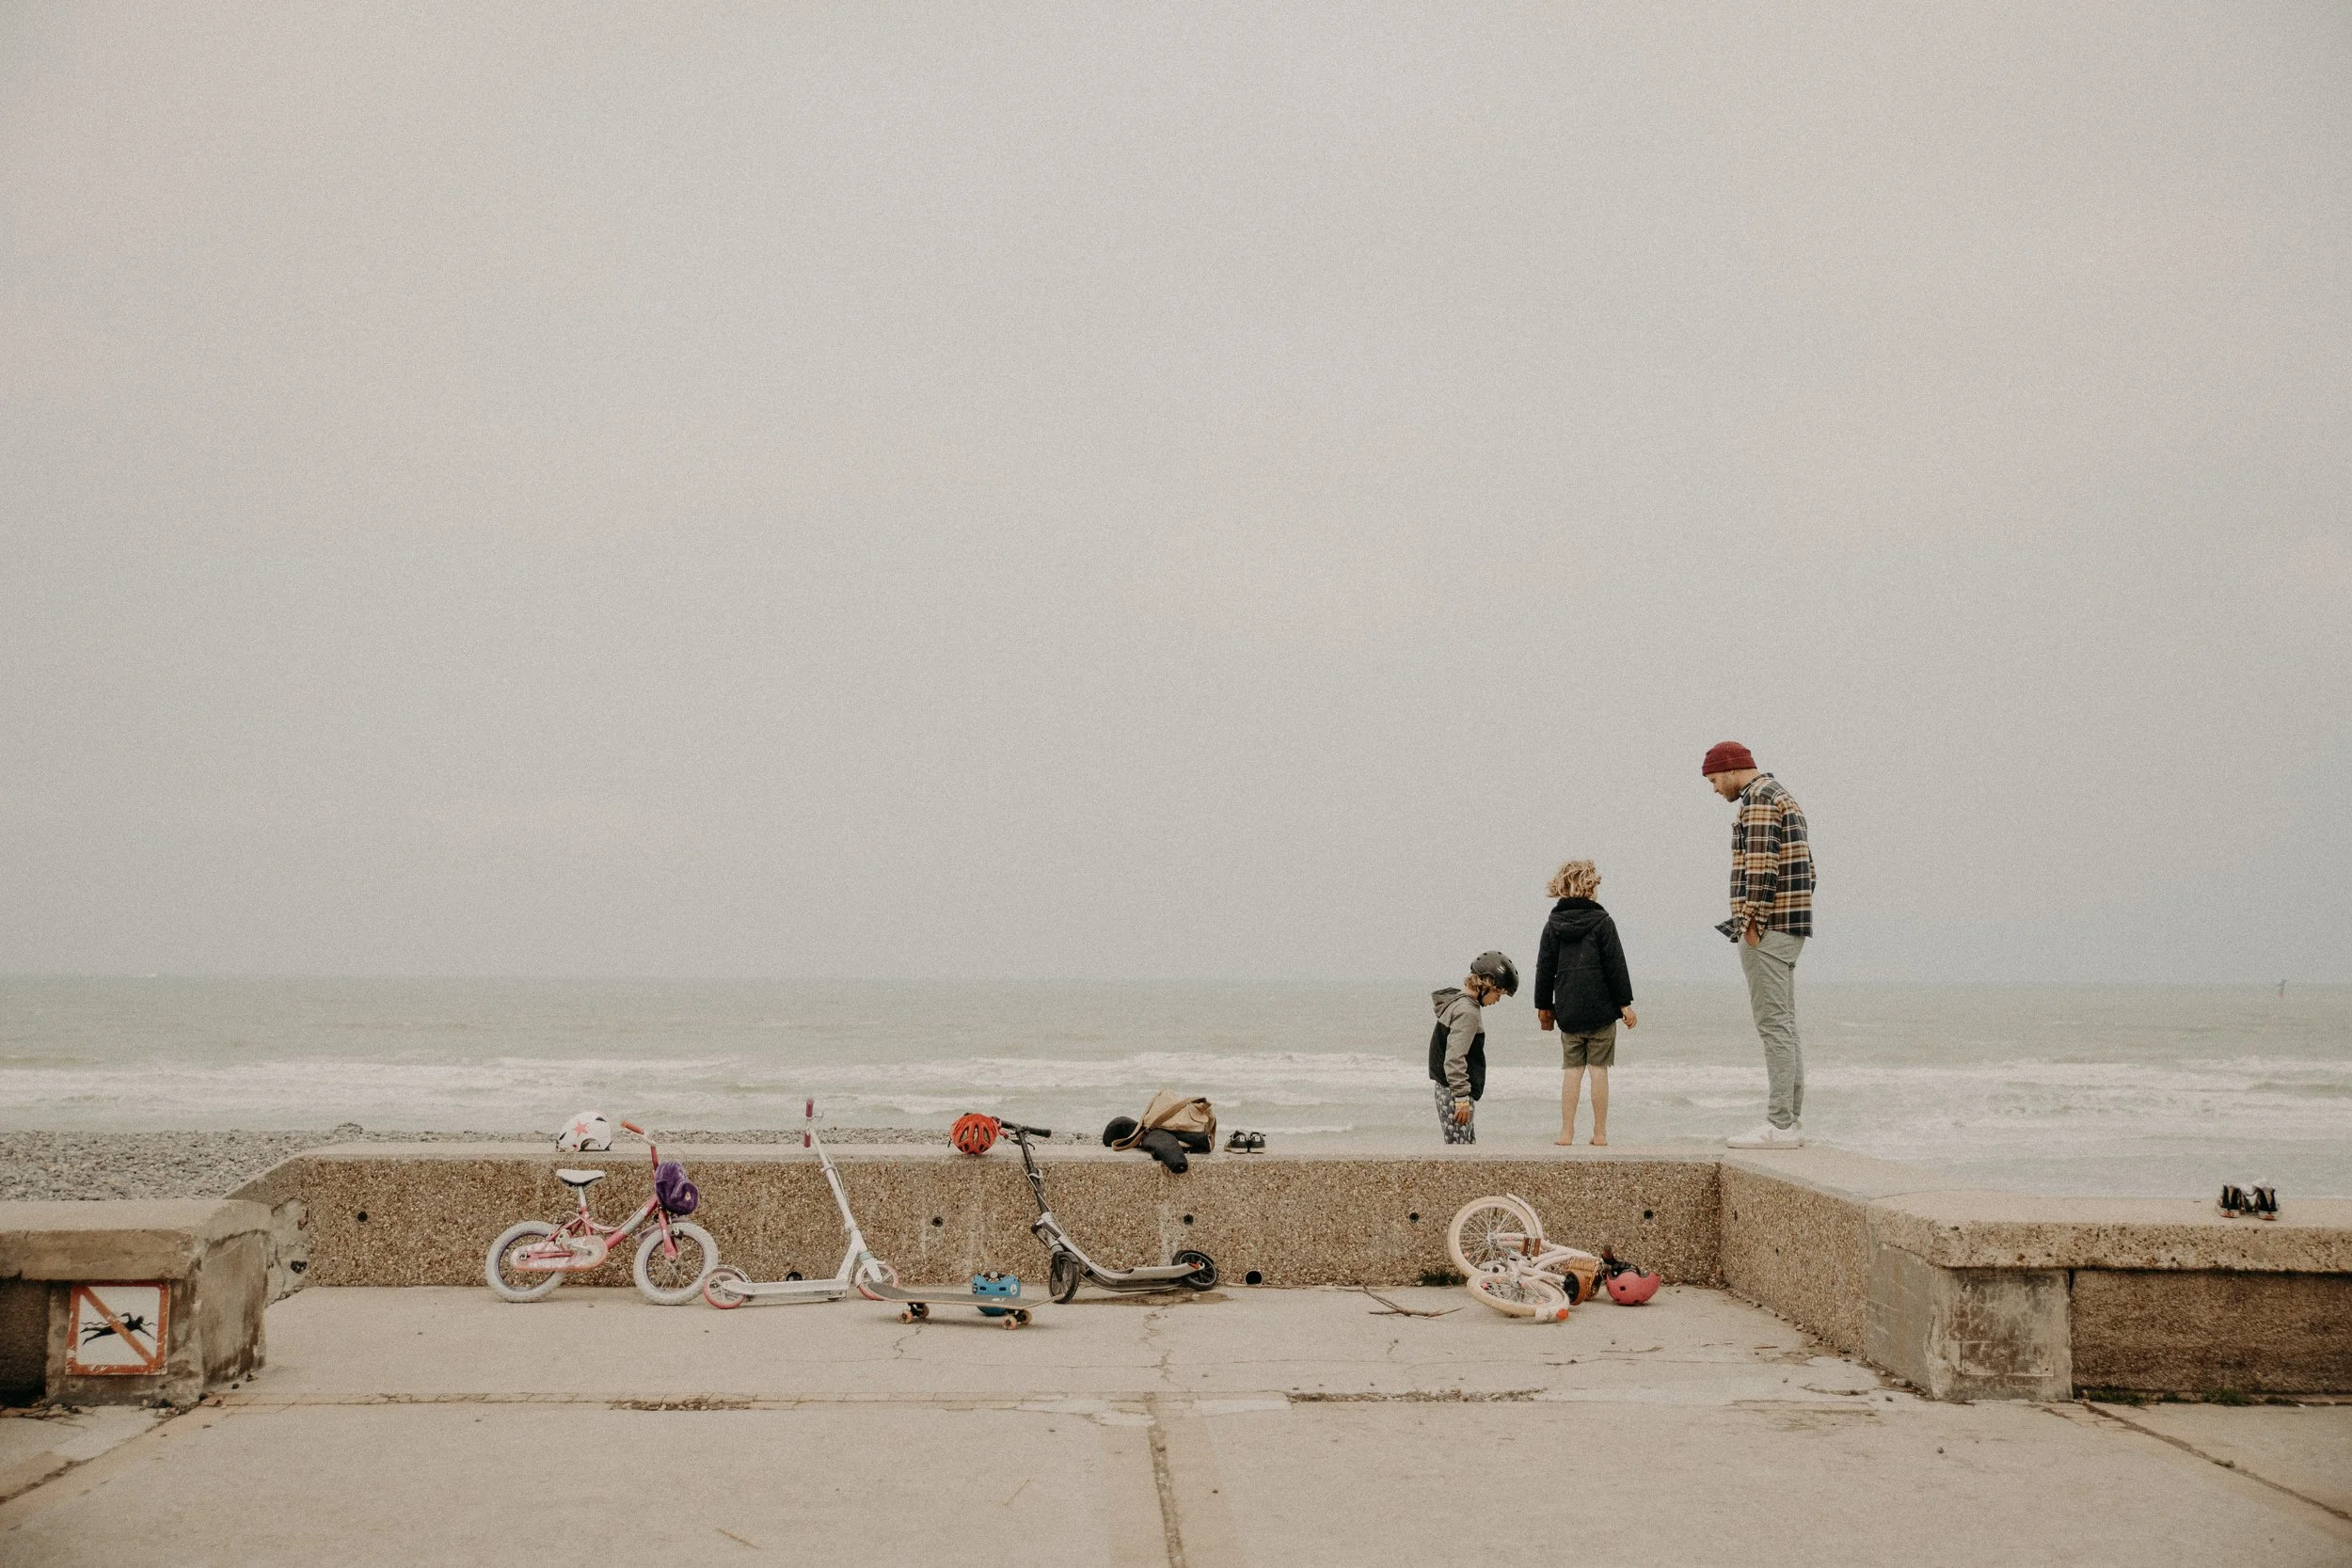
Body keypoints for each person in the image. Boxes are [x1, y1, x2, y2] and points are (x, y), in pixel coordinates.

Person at [1702, 741, 1815, 1148]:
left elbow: (1761, 868)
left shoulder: (1760, 801)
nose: (1714, 789)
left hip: (1767, 930)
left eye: (1714, 779)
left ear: (1732, 770)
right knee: (1785, 1027)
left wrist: (1750, 923)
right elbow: (1809, 871)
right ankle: (1790, 1121)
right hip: (1790, 926)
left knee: (1773, 1028)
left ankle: (1780, 1125)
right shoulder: (1783, 796)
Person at [1532, 860, 1637, 1146]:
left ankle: (1566, 1132)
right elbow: (1616, 966)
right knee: (1599, 1071)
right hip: (1601, 1010)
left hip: (1569, 1010)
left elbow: (1544, 968)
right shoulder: (1603, 923)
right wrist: (1624, 1003)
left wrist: (1544, 1006)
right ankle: (1600, 1133)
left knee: (1572, 1071)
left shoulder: (1553, 925)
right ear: (1591, 888)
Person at [1428, 952, 1517, 1145]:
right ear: (1487, 984)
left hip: (1448, 1088)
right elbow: (1454, 1057)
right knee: (1460, 1151)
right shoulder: (1467, 1012)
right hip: (1455, 1091)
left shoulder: (1457, 1003)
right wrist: (1461, 1097)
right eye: (1498, 994)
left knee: (1465, 1147)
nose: (1497, 1001)